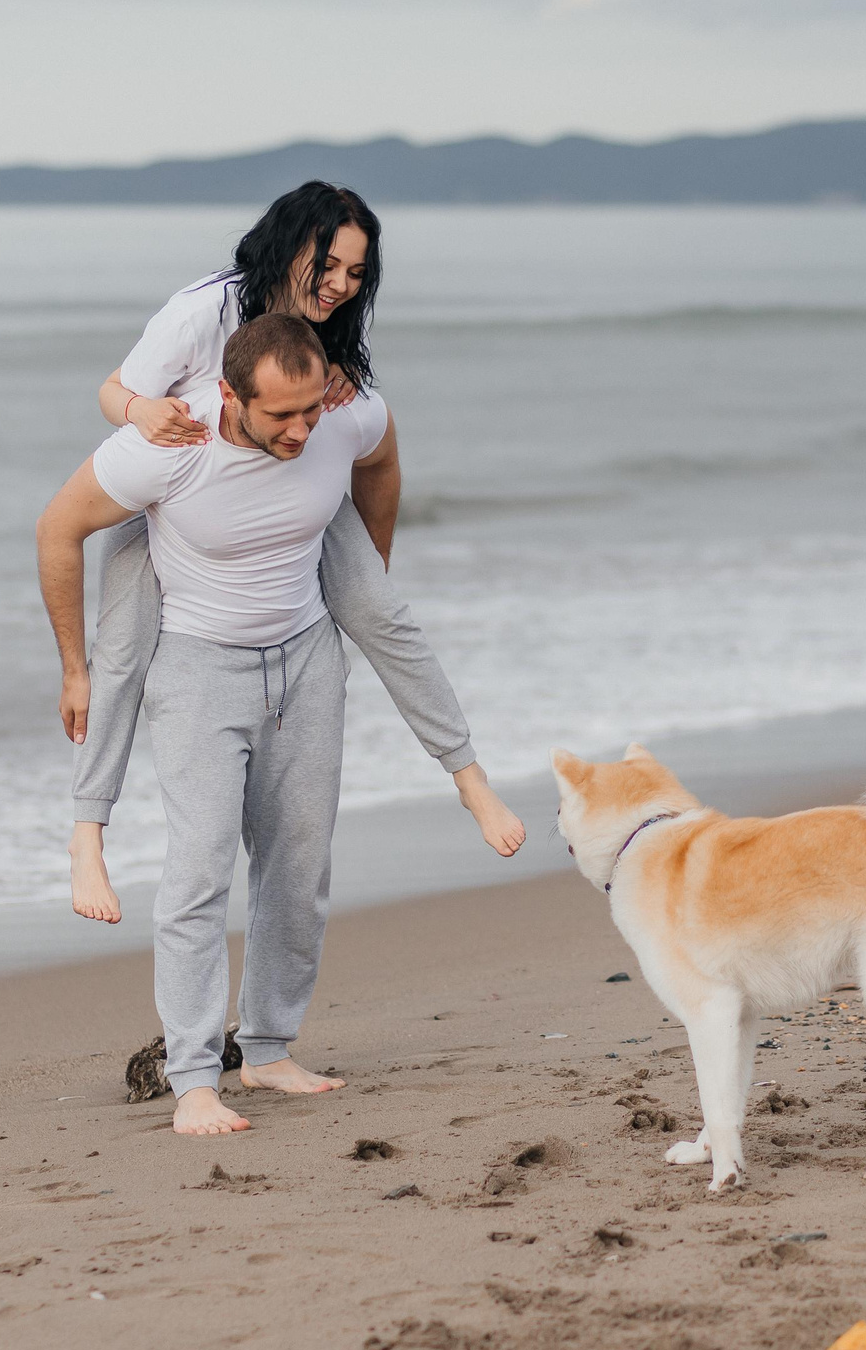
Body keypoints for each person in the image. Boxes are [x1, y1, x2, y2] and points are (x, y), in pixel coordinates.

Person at [63, 182, 523, 926]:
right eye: (330, 266)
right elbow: (112, 392)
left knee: (382, 609)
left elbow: (370, 448)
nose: (342, 286)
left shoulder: (328, 329)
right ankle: (89, 834)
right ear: (291, 247)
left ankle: (467, 775)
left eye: (357, 274)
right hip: (178, 494)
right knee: (119, 651)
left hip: (289, 496)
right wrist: (143, 410)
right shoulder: (201, 311)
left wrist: (361, 570)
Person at [37, 315, 407, 1133]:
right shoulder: (171, 444)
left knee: (298, 865)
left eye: (312, 411)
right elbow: (57, 528)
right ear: (229, 395)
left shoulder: (334, 416)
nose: (303, 429)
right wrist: (74, 667)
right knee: (199, 871)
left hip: (302, 660)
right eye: (282, 415)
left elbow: (380, 453)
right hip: (198, 668)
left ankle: (269, 1048)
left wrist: (366, 579)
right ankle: (195, 1074)